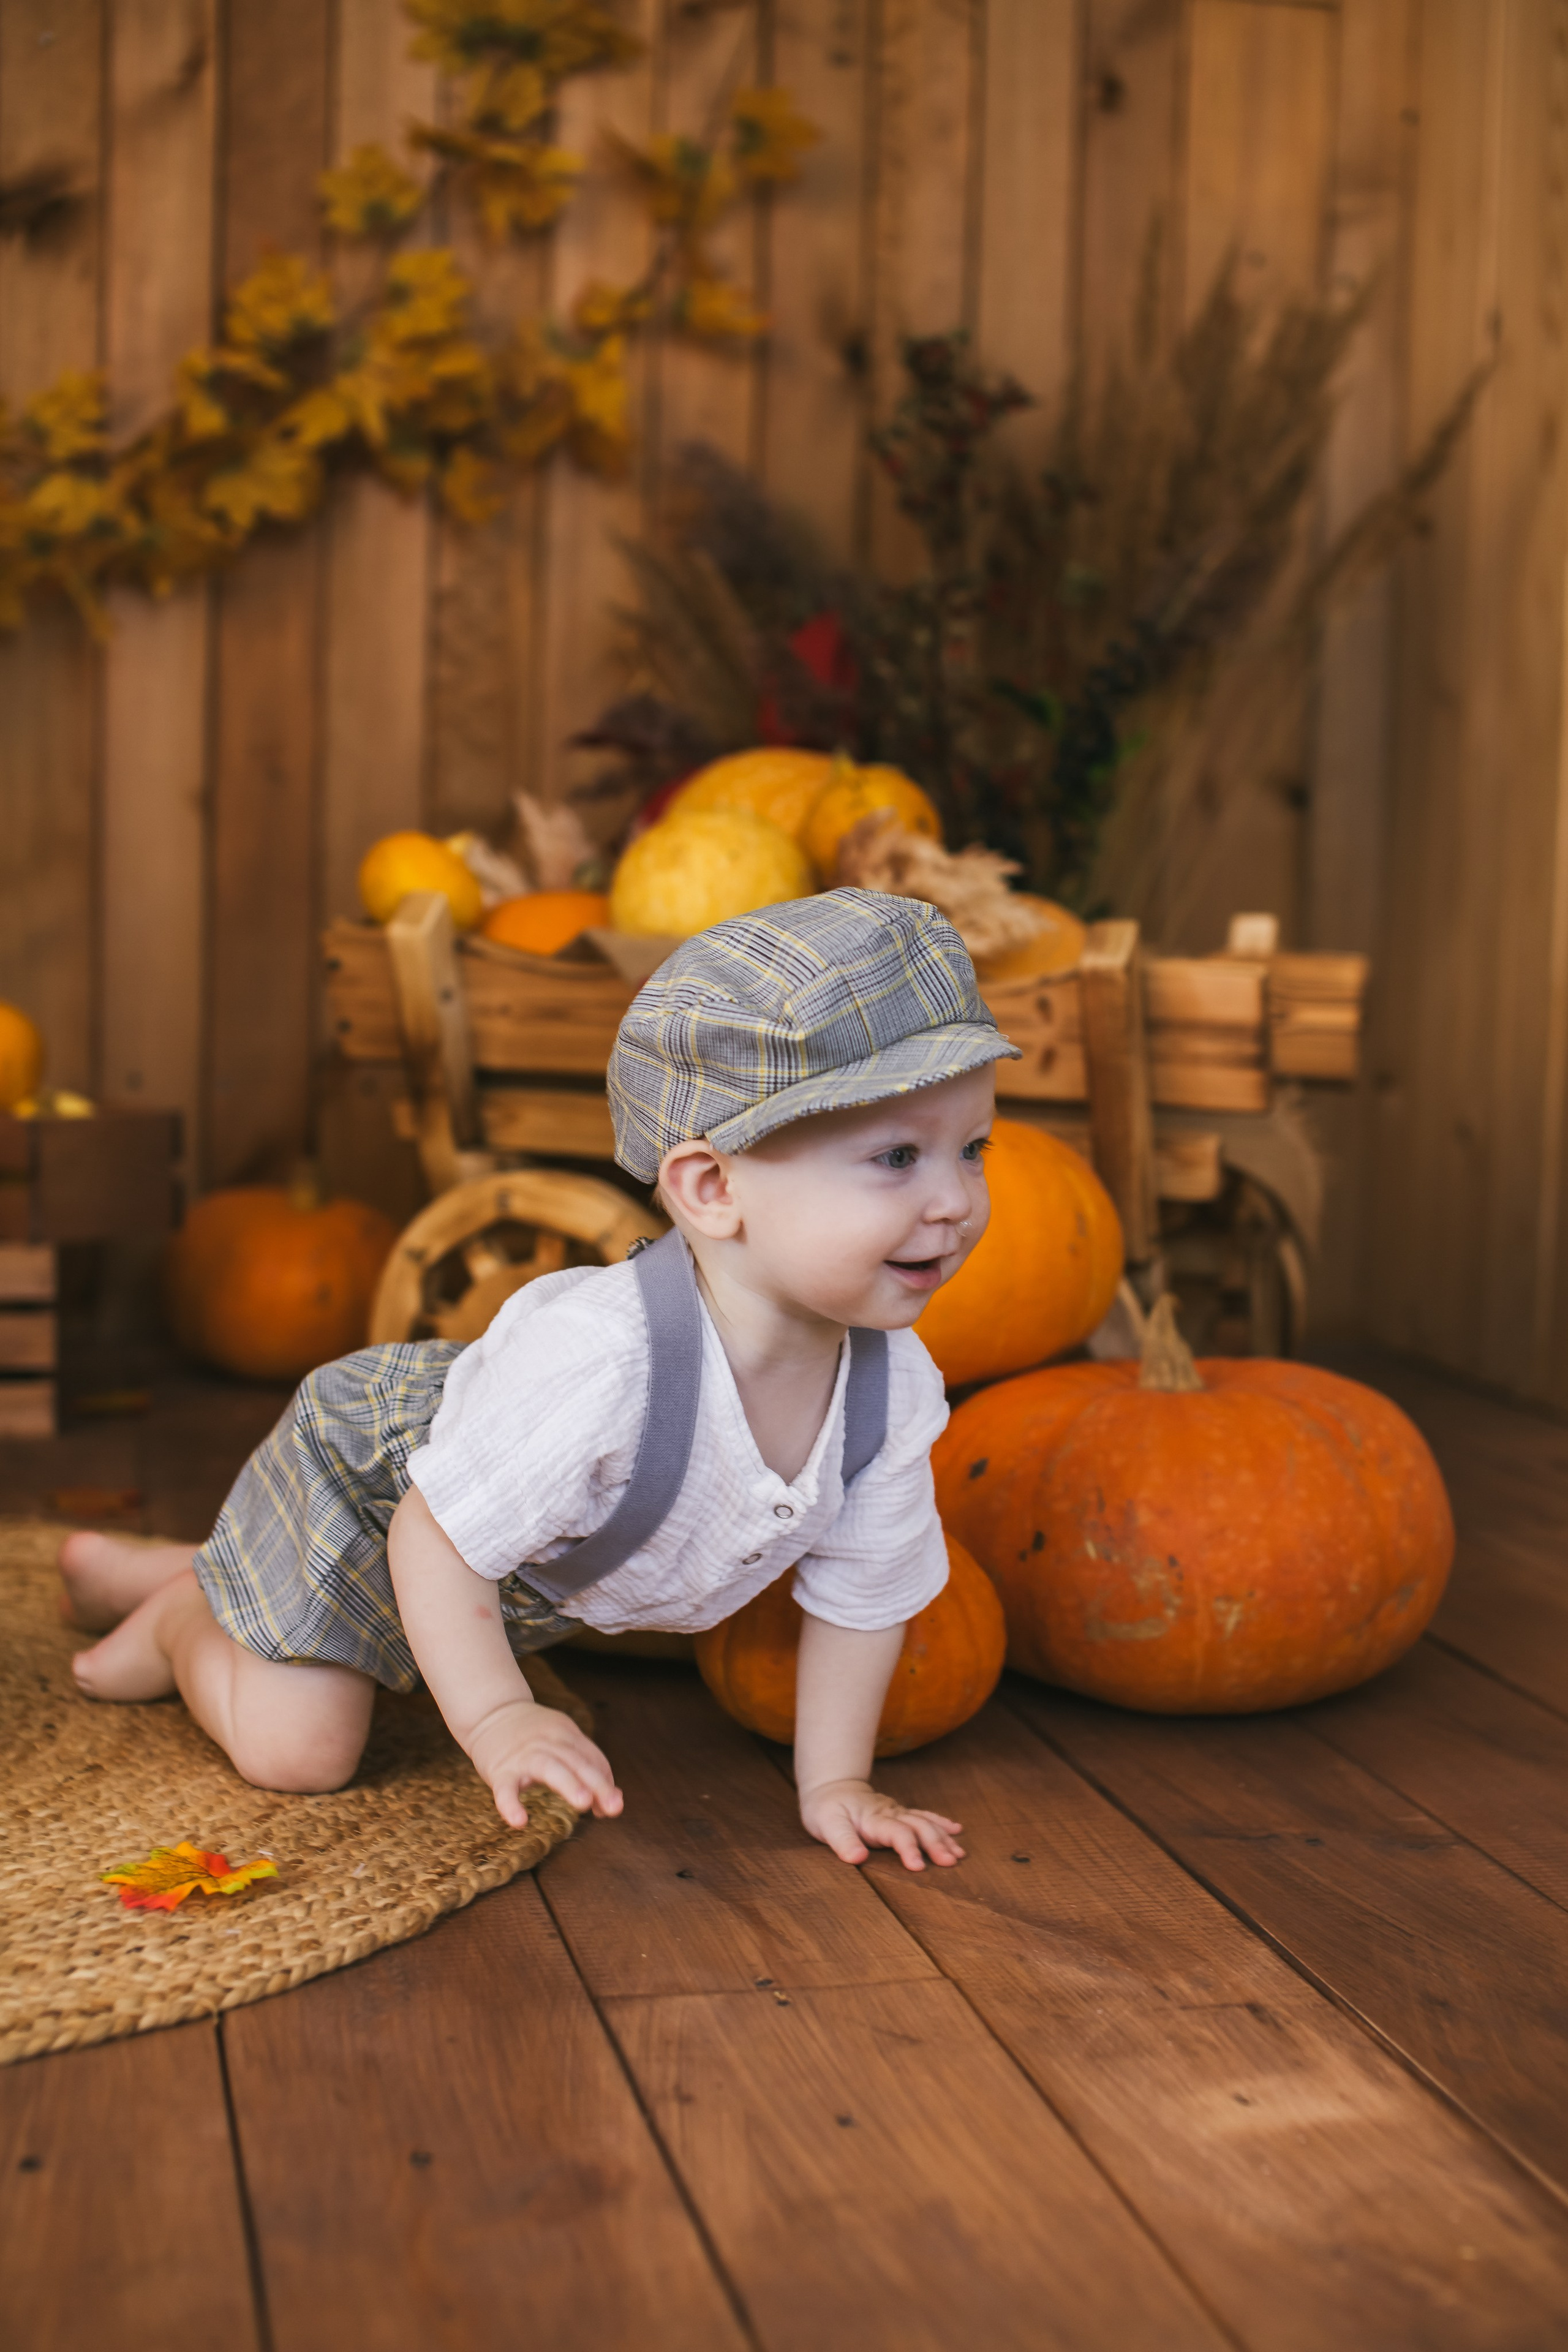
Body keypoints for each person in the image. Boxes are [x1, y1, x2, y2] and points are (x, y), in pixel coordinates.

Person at [59, 888, 1019, 1873]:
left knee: (380, 1624)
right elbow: (432, 1539)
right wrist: (498, 1717)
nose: (955, 1200)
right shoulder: (604, 1362)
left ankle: (197, 1571)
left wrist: (836, 1786)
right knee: (297, 1752)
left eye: (972, 1149)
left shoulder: (891, 1388)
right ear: (713, 1189)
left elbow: (862, 1599)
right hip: (372, 1493)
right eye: (898, 1157)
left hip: (495, 1554)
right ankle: (190, 1612)